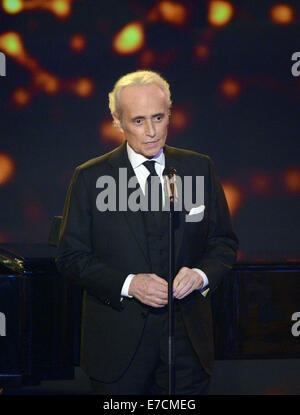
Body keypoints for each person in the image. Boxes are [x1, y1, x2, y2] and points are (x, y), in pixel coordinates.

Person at [55, 70, 238, 395]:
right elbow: (71, 258)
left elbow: (223, 243)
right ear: (117, 121)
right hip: (117, 348)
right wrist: (130, 284)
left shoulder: (200, 168)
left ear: (170, 113)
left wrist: (200, 274)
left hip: (188, 349)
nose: (152, 132)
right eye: (139, 121)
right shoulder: (90, 178)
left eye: (158, 117)